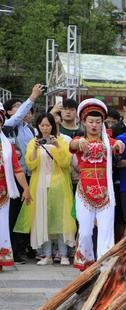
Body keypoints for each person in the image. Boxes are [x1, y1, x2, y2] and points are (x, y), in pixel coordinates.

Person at [70, 99, 125, 271]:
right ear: (84, 122)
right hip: (84, 191)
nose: (94, 125)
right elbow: (71, 146)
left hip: (106, 192)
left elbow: (118, 145)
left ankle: (104, 268)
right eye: (91, 121)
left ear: (102, 123)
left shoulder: (108, 141)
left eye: (98, 122)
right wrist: (78, 144)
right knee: (85, 232)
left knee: (106, 232)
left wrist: (120, 144)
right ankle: (86, 264)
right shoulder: (79, 139)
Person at [14, 113, 75, 265]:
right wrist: (34, 149)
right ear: (38, 126)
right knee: (43, 219)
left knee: (62, 219)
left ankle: (63, 254)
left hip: (59, 184)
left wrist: (57, 146)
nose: (45, 128)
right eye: (42, 125)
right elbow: (30, 165)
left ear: (53, 126)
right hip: (40, 185)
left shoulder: (62, 141)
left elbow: (65, 162)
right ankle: (46, 255)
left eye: (48, 125)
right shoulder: (33, 142)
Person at [3, 85, 43, 264]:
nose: (21, 110)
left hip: (28, 174)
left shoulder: (29, 129)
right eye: (17, 107)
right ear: (8, 112)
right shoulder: (9, 125)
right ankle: (12, 249)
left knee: (24, 214)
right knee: (12, 215)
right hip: (12, 178)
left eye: (23, 105)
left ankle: (21, 248)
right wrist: (33, 96)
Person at [0, 106, 33, 270]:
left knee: (2, 225)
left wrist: (26, 189)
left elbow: (17, 169)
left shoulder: (7, 146)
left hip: (3, 193)